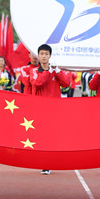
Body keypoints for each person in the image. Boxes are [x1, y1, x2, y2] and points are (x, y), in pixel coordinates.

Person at [30, 44, 70, 175]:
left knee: (52, 135)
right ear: (38, 55)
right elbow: (37, 83)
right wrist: (49, 72)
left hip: (54, 109)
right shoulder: (34, 71)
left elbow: (66, 83)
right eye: (41, 53)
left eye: (46, 54)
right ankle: (44, 161)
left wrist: (57, 71)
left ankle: (48, 161)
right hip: (39, 108)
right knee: (41, 135)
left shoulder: (55, 70)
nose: (44, 56)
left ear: (50, 55)